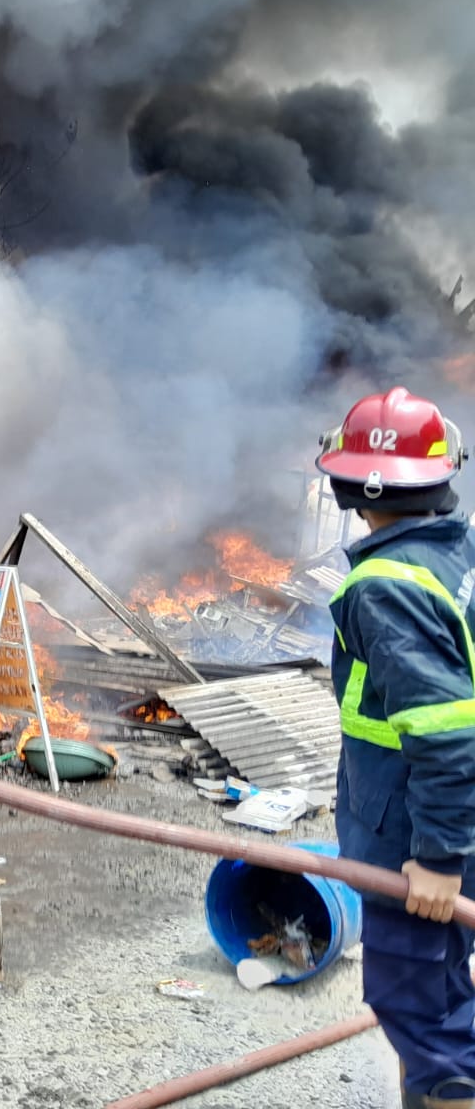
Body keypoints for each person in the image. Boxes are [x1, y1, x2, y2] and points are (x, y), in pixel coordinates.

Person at [318, 386, 475, 1109]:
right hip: (449, 824)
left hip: (415, 840)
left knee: (424, 1015)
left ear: (350, 485)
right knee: (441, 992)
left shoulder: (385, 585)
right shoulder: (457, 556)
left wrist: (438, 861)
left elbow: (445, 732)